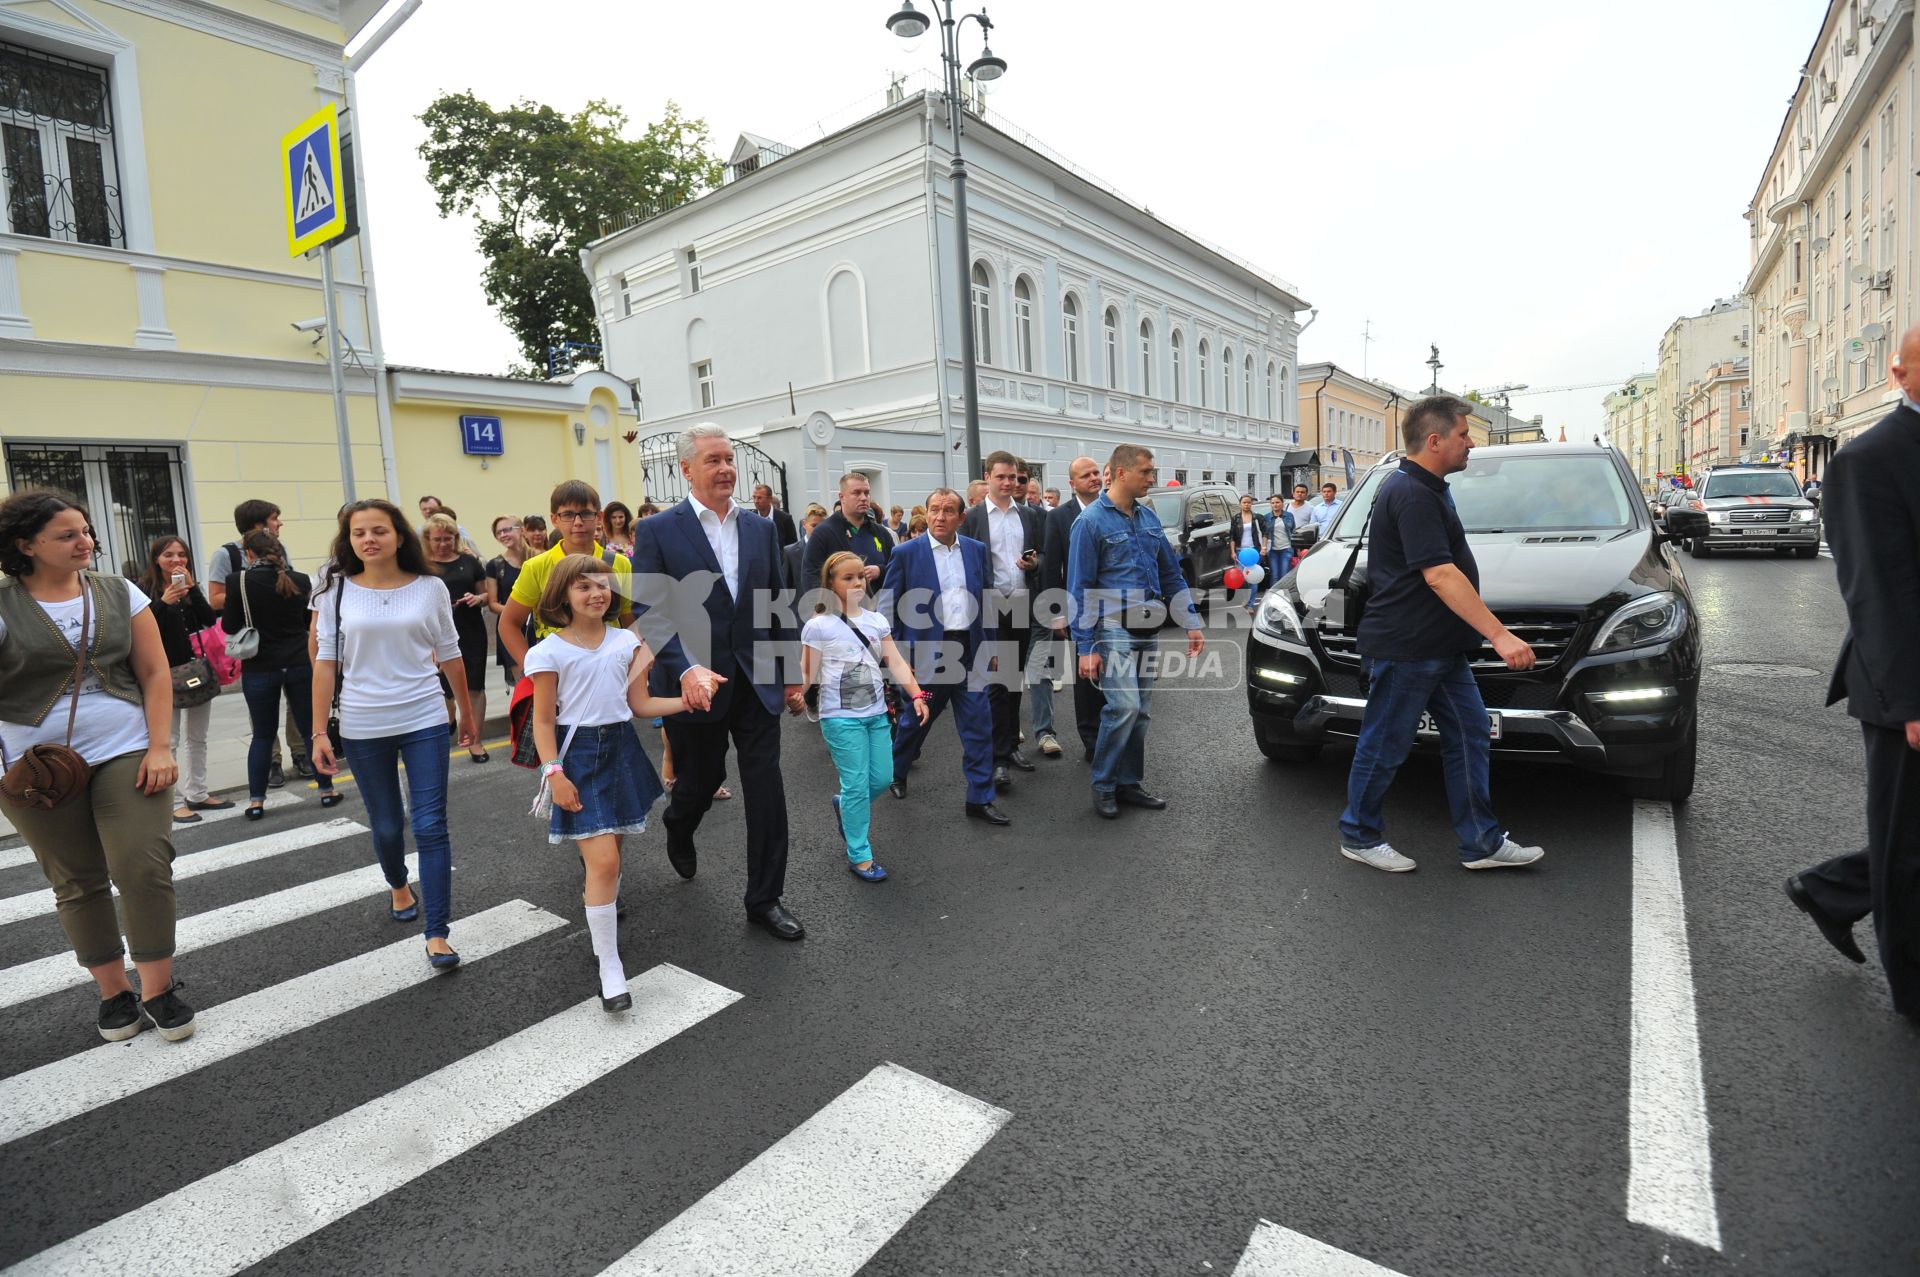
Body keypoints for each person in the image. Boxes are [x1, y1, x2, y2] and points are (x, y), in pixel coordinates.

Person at [0, 489, 194, 1042]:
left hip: (126, 745)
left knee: (142, 865)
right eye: (67, 534)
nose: (85, 540)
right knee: (76, 880)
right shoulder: (2, 602)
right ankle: (114, 994)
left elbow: (156, 672)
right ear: (25, 544)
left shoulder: (118, 590)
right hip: (32, 766)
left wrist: (162, 747)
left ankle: (158, 987)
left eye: (85, 530)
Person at [1335, 395, 1544, 873]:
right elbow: (1440, 575)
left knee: (1470, 732)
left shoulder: (1428, 487)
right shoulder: (1410, 493)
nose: (1471, 443)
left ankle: (1481, 842)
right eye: (1464, 435)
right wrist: (1501, 636)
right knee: (1385, 743)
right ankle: (1359, 835)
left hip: (1439, 645)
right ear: (1435, 441)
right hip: (1407, 647)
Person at [1785, 323, 1920, 1021]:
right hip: (1905, 682)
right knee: (1906, 848)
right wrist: (1911, 701)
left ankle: (1832, 888)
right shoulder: (1872, 458)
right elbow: (1879, 589)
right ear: (1900, 375)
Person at [631, 424, 804, 940]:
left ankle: (765, 898)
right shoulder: (660, 531)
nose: (726, 467)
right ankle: (679, 822)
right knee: (700, 782)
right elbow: (650, 608)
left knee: (766, 788)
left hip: (755, 682)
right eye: (714, 460)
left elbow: (777, 601)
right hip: (694, 684)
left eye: (730, 459)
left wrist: (790, 674)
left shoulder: (760, 528)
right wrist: (685, 668)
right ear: (687, 468)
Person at [310, 499, 476, 968]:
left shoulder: (429, 587)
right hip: (363, 723)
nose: (369, 539)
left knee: (430, 825)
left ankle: (438, 932)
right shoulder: (334, 591)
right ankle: (399, 884)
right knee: (386, 826)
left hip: (423, 715)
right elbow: (325, 664)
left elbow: (450, 653)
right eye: (359, 532)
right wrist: (318, 731)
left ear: (399, 536)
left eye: (378, 530)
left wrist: (465, 712)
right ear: (349, 540)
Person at [526, 554, 681, 1013]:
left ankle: (601, 915)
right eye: (583, 586)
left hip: (622, 750)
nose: (596, 593)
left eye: (602, 585)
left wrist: (689, 701)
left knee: (610, 857)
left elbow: (641, 704)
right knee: (606, 862)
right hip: (577, 758)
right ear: (562, 595)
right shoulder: (548, 651)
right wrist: (554, 773)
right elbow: (543, 720)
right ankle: (609, 966)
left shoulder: (625, 643)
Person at [1067, 445, 1204, 819]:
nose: (1151, 478)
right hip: (1111, 627)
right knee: (1124, 706)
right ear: (1121, 473)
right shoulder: (1091, 522)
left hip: (1147, 624)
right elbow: (1078, 588)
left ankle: (1129, 783)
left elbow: (1171, 573)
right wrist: (1085, 648)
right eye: (1145, 472)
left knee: (1141, 712)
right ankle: (1104, 783)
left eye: (1152, 471)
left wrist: (1190, 621)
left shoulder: (1148, 517)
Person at [801, 551, 932, 880]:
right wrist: (793, 697)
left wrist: (917, 694)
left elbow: (896, 662)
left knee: (883, 779)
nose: (857, 582)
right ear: (830, 584)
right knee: (857, 784)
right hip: (839, 717)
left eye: (860, 575)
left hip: (876, 714)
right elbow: (807, 674)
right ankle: (859, 854)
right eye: (848, 578)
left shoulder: (876, 621)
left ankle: (845, 805)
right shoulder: (818, 626)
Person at [880, 488, 1005, 824]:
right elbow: (887, 607)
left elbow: (988, 600)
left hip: (969, 651)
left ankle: (979, 798)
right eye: (934, 509)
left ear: (961, 518)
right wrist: (896, 656)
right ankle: (897, 771)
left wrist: (991, 647)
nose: (939, 517)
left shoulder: (976, 551)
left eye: (948, 511)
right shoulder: (907, 553)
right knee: (915, 721)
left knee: (979, 725)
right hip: (926, 655)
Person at [223, 530, 339, 818]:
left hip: (260, 666)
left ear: (248, 553)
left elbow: (228, 625)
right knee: (312, 729)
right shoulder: (300, 580)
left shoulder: (238, 581)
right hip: (299, 662)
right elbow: (306, 623)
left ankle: (256, 801)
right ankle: (326, 790)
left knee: (262, 734)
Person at [961, 451, 1046, 789]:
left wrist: (1035, 565)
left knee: (1014, 681)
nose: (1009, 483)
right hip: (990, 605)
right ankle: (997, 758)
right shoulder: (974, 517)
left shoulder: (1029, 515)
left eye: (1013, 477)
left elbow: (1044, 554)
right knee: (997, 682)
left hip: (1021, 603)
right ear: (988, 478)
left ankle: (1010, 747)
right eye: (1002, 477)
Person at [206, 498, 306, 784]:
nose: (280, 523)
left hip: (286, 638)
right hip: (255, 642)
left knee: (297, 704)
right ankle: (272, 761)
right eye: (276, 518)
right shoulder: (225, 554)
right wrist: (254, 591)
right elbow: (214, 599)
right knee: (262, 710)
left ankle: (300, 754)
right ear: (259, 525)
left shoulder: (280, 549)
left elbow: (290, 586)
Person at [138, 536, 228, 825]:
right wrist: (163, 602)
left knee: (198, 737)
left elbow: (208, 619)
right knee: (169, 740)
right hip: (162, 674)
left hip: (196, 671)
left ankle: (198, 792)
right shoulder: (144, 591)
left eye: (181, 555)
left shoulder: (189, 588)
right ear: (156, 559)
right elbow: (142, 627)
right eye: (169, 555)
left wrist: (193, 589)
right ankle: (173, 802)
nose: (176, 560)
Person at [498, 481, 634, 670]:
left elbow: (628, 620)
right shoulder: (536, 567)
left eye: (586, 514)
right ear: (554, 519)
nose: (578, 522)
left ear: (599, 517)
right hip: (558, 672)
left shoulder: (619, 563)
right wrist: (533, 668)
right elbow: (508, 623)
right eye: (568, 515)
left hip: (609, 669)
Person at [1041, 456, 1107, 761]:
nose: (1094, 478)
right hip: (1080, 607)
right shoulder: (1058, 517)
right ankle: (1092, 740)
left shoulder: (1114, 508)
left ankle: (1116, 734)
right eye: (1086, 475)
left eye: (1096, 472)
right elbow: (1052, 568)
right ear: (1072, 484)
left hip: (1117, 608)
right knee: (1087, 678)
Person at [421, 514, 493, 762]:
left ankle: (476, 741)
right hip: (432, 632)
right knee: (441, 686)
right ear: (428, 540)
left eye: (448, 539)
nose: (443, 544)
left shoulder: (469, 561)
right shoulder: (420, 565)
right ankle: (450, 711)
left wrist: (477, 599)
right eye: (437, 539)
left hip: (469, 628)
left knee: (475, 685)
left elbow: (486, 595)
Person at [803, 473, 895, 595]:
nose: (863, 498)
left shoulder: (881, 533)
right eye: (856, 493)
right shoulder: (824, 532)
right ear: (842, 497)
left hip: (877, 609)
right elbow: (811, 575)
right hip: (839, 610)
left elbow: (896, 568)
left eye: (866, 493)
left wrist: (880, 570)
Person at [484, 515, 529, 688]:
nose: (503, 535)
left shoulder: (537, 558)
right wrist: (518, 612)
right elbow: (493, 603)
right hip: (512, 627)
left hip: (538, 627)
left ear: (522, 530)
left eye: (507, 529)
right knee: (524, 682)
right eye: (499, 532)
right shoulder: (495, 565)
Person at [1231, 494, 1271, 613]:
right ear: (1240, 504)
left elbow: (1265, 533)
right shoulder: (1236, 518)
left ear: (1251, 504)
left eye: (1249, 502)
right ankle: (1244, 599)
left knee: (1253, 578)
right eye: (1244, 502)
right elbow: (1232, 536)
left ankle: (1250, 604)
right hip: (1240, 551)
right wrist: (1232, 552)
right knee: (1241, 578)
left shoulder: (1258, 518)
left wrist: (1263, 547)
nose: (1247, 504)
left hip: (1254, 551)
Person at [783, 504, 827, 592]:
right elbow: (786, 585)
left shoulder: (831, 549)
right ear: (804, 524)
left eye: (821, 527)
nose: (817, 530)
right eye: (814, 526)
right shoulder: (790, 552)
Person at [751, 483, 797, 548]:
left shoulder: (785, 519)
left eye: (759, 498)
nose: (756, 501)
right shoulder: (750, 518)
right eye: (754, 497)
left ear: (770, 499)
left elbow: (793, 547)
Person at [1267, 493, 1296, 583]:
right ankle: (1273, 596)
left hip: (1286, 548)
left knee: (1284, 574)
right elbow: (1264, 534)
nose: (1275, 505)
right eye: (1273, 503)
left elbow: (1293, 531)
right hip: (1272, 550)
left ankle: (1284, 595)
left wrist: (1296, 548)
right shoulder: (1267, 517)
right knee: (1274, 575)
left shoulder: (1289, 516)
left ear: (1282, 503)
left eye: (1277, 502)